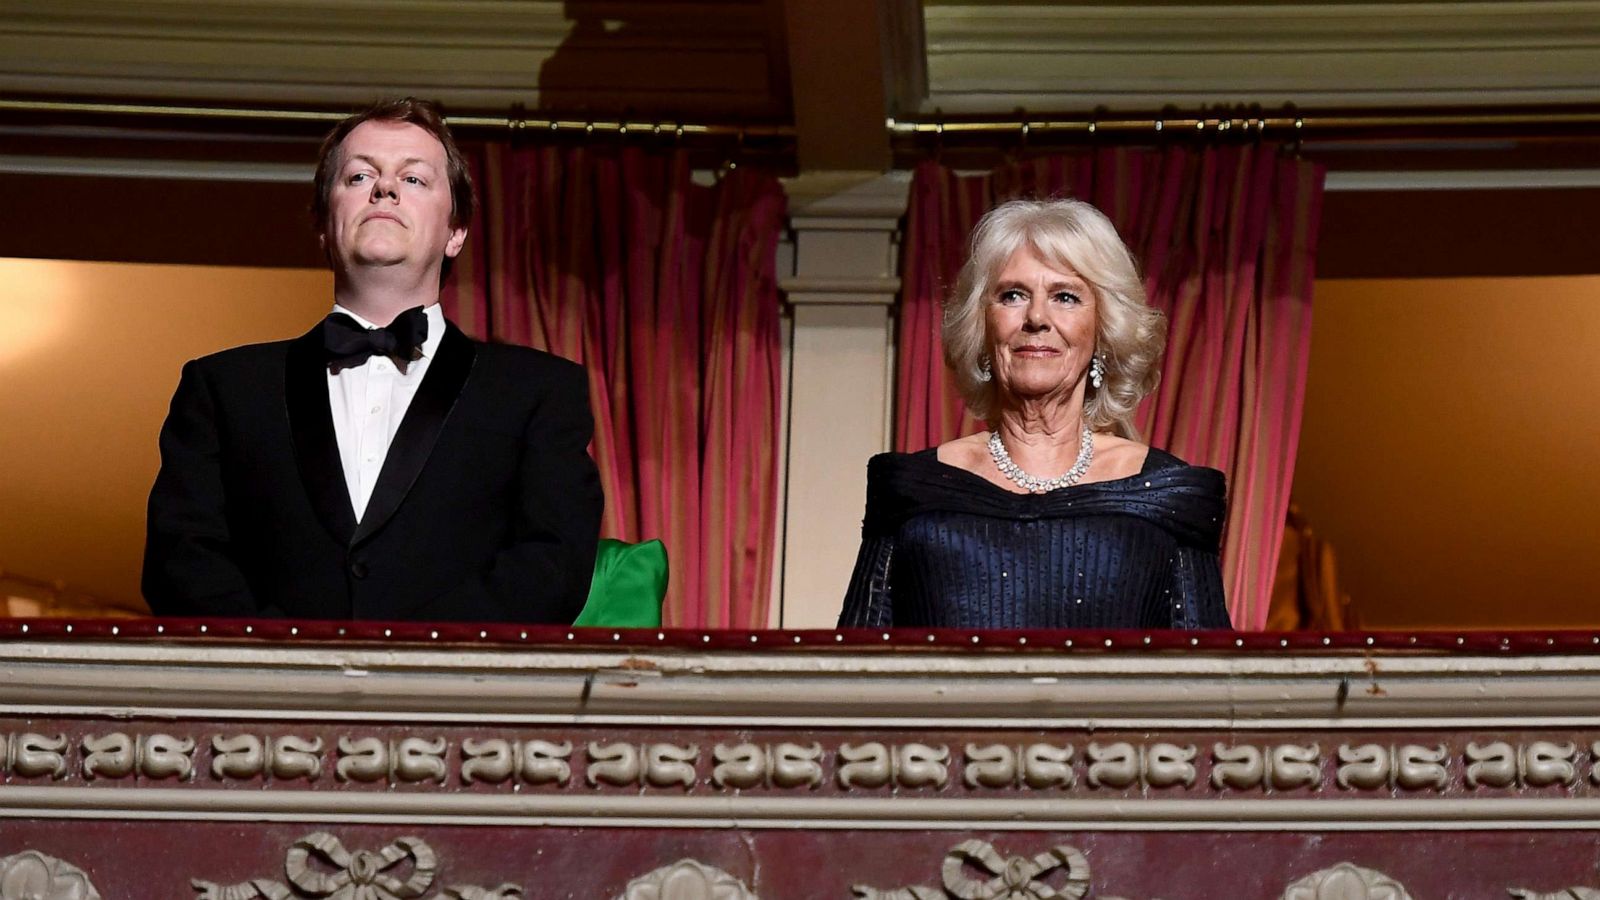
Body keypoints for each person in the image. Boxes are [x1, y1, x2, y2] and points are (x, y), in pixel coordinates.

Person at [143, 97, 603, 623]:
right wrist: (287, 665)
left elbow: (554, 565)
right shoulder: (222, 389)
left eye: (414, 180)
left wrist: (417, 659)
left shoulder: (538, 391)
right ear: (322, 224)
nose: (384, 188)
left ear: (457, 232)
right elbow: (180, 561)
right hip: (269, 698)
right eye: (360, 176)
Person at [839, 198, 1231, 630]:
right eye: (1012, 295)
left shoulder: (1166, 495)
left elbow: (1208, 684)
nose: (1037, 318)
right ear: (982, 327)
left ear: (1103, 330)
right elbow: (853, 674)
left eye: (1065, 296)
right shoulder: (911, 491)